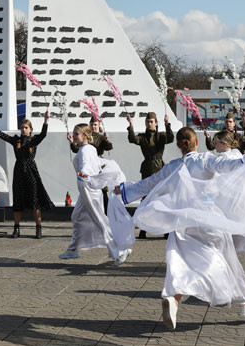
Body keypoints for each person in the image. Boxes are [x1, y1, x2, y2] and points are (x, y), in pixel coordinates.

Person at [114, 127, 245, 329]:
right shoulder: (205, 159)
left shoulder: (172, 167)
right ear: (197, 142)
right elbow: (225, 163)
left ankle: (174, 300)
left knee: (181, 265)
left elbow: (149, 183)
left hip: (182, 221)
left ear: (178, 145)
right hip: (208, 218)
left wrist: (124, 189)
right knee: (226, 259)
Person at [60, 123, 130, 265]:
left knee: (99, 221)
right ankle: (73, 249)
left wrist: (85, 173)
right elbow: (97, 163)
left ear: (85, 136)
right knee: (77, 216)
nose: (73, 136)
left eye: (76, 134)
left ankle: (120, 251)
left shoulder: (86, 150)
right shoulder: (88, 148)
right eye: (74, 134)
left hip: (88, 188)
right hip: (85, 187)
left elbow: (86, 164)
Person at [0, 111, 53, 238]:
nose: (23, 129)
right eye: (22, 127)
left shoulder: (33, 140)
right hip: (19, 170)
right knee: (18, 201)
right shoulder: (16, 140)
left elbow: (43, 134)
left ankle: (38, 229)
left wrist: (46, 120)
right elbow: (1, 135)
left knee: (35, 200)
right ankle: (16, 229)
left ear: (30, 130)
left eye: (26, 127)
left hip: (31, 170)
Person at [127, 111, 174, 239]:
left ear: (156, 123)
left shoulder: (160, 136)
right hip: (147, 168)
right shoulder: (143, 137)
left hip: (159, 168)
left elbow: (170, 138)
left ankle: (166, 230)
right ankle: (143, 230)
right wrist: (130, 126)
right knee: (146, 200)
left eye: (152, 121)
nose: (149, 124)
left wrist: (167, 124)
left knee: (162, 199)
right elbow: (132, 139)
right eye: (147, 122)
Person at [68, 117, 114, 212]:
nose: (93, 126)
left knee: (90, 213)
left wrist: (106, 139)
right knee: (82, 215)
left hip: (90, 178)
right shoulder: (86, 148)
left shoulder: (94, 143)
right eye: (91, 124)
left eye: (95, 124)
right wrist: (72, 142)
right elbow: (78, 151)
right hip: (87, 181)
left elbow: (85, 162)